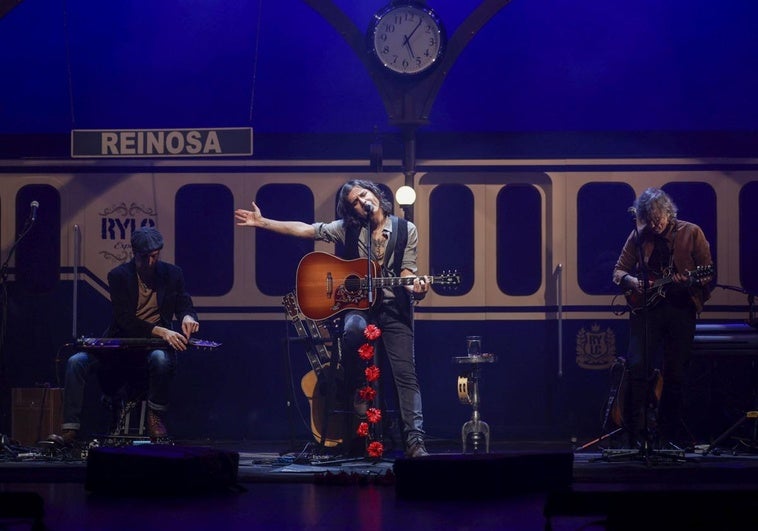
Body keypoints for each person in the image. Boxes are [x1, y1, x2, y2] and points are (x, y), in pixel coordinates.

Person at [235, 179, 430, 458]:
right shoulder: (348, 229)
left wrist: (416, 288)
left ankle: (415, 442)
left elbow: (408, 273)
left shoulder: (405, 229)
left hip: (392, 309)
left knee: (406, 376)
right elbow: (306, 229)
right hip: (359, 308)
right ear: (352, 211)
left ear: (374, 194)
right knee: (352, 330)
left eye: (363, 194)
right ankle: (352, 388)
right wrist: (264, 223)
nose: (362, 200)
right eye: (354, 201)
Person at [52, 227, 200, 444]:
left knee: (160, 358)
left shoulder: (172, 274)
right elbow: (125, 319)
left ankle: (155, 415)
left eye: (154, 256)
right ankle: (70, 429)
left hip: (154, 347)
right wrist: (160, 330)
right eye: (144, 257)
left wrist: (188, 316)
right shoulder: (119, 276)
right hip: (121, 345)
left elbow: (184, 303)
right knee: (76, 362)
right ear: (134, 254)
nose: (150, 262)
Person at [612, 187, 713, 449]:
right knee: (637, 368)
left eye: (659, 219)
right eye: (650, 220)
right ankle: (636, 433)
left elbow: (708, 273)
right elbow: (619, 271)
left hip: (680, 310)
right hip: (646, 311)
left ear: (668, 213)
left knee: (675, 373)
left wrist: (689, 281)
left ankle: (667, 436)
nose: (655, 225)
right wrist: (633, 281)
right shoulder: (638, 235)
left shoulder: (692, 232)